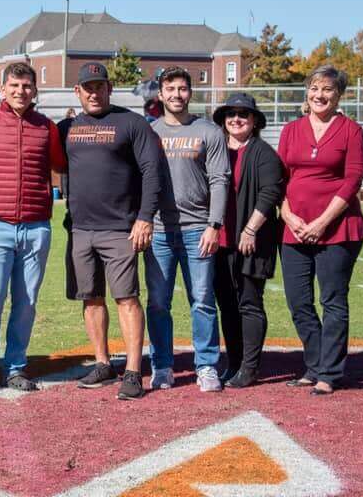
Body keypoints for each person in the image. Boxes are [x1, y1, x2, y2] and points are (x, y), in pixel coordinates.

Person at [0, 61, 67, 395]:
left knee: (26, 302)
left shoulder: (46, 127)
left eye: (26, 86)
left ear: (35, 90)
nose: (20, 91)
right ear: (3, 89)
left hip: (36, 227)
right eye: (14, 85)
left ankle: (16, 366)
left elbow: (61, 165)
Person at [63, 63, 162, 400]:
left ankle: (133, 371)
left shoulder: (131, 123)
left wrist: (145, 217)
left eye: (99, 86)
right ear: (77, 91)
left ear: (109, 88)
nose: (94, 93)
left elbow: (151, 171)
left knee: (126, 298)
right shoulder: (68, 126)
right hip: (80, 229)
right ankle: (103, 363)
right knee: (90, 298)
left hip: (120, 228)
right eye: (87, 87)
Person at [279, 65, 363, 396]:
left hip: (338, 229)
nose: (320, 95)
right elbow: (279, 179)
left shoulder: (351, 130)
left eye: (328, 89)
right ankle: (315, 365)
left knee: (332, 300)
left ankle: (329, 373)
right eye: (315, 88)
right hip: (294, 229)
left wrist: (322, 222)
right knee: (298, 302)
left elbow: (353, 179)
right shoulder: (291, 130)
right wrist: (289, 216)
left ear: (339, 95)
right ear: (307, 91)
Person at [146, 66, 230, 392]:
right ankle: (162, 365)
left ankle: (206, 365)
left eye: (182, 89)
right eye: (170, 89)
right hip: (159, 230)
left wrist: (214, 225)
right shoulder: (150, 131)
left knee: (203, 300)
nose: (176, 95)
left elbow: (220, 180)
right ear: (160, 94)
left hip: (198, 229)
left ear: (190, 93)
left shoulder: (209, 131)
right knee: (158, 302)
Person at [211, 93, 284, 389]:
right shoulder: (217, 149)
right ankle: (234, 362)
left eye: (243, 114)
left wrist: (250, 229)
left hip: (251, 240)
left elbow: (270, 193)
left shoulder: (263, 153)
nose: (236, 119)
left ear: (254, 121)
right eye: (231, 114)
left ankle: (250, 367)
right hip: (220, 241)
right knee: (227, 304)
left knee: (249, 303)